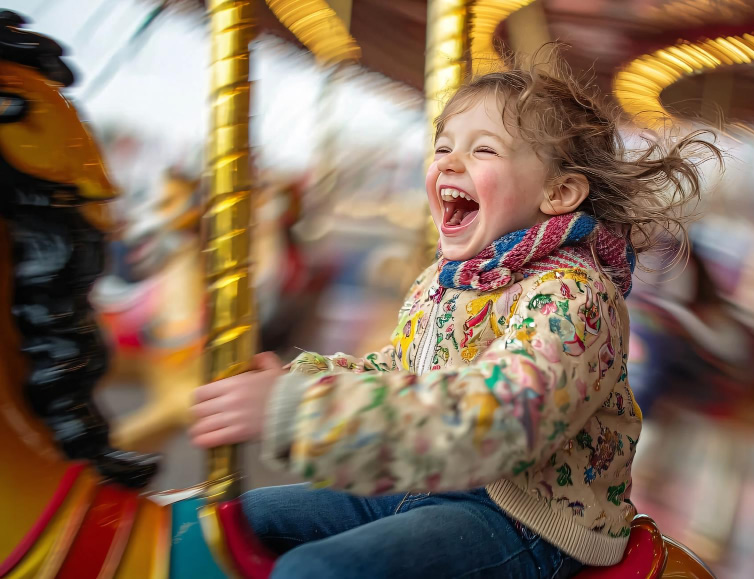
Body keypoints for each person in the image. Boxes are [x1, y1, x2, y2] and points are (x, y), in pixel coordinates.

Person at [188, 54, 718, 578]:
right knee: (229, 523)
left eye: (482, 149)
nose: (447, 161)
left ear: (559, 192)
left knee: (319, 570)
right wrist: (297, 381)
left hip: (525, 520)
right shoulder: (445, 280)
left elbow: (503, 417)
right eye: (443, 147)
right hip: (428, 487)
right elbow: (397, 372)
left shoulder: (574, 293)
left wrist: (297, 413)